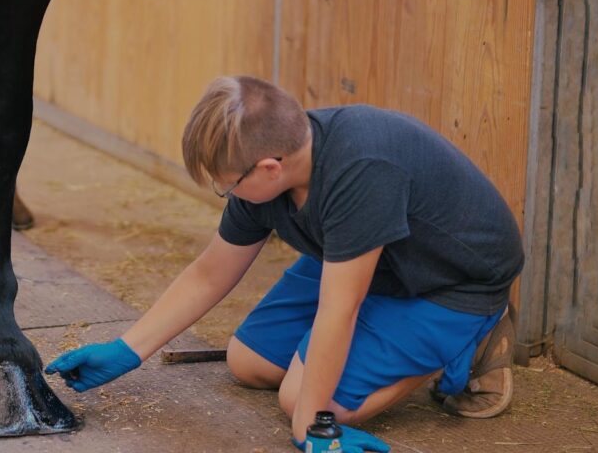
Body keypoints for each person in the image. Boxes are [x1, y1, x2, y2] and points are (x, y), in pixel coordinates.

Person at [45, 76, 523, 450]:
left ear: (270, 167)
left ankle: (466, 340)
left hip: (448, 281)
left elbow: (342, 308)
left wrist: (313, 424)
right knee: (248, 362)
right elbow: (210, 273)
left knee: (304, 400)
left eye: (227, 184)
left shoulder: (361, 170)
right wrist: (127, 350)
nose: (227, 194)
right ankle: (385, 351)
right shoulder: (267, 169)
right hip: (371, 260)